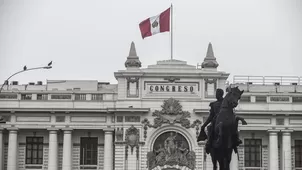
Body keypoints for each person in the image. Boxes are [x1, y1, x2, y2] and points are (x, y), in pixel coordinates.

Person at [197, 88, 242, 153]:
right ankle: (209, 143)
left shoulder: (226, 102)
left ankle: (236, 140)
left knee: (233, 127)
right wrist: (204, 125)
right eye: (216, 94)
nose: (216, 95)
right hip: (216, 121)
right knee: (210, 128)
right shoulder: (213, 104)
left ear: (220, 94)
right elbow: (211, 116)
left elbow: (232, 108)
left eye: (217, 94)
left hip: (226, 120)